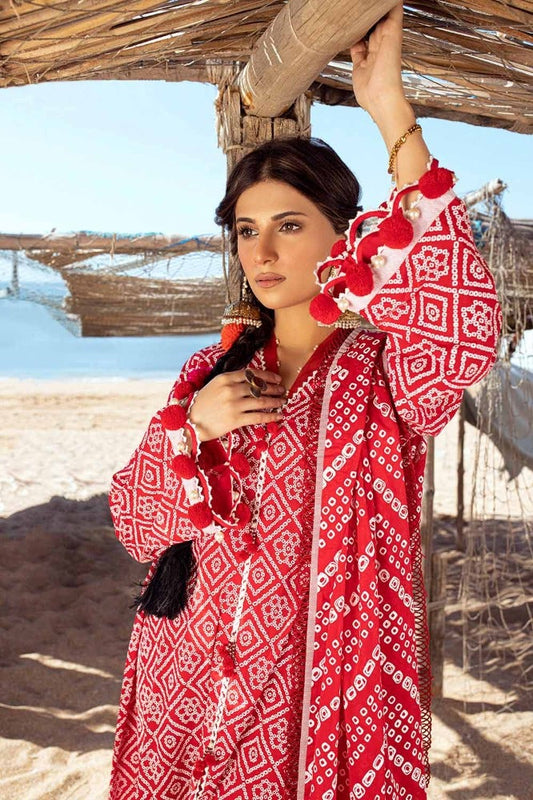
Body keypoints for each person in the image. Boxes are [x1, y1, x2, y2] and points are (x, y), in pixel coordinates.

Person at [108, 4, 501, 799]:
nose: (262, 251)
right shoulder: (209, 370)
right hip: (185, 674)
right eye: (245, 230)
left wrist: (387, 106)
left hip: (319, 692)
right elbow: (136, 525)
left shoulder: (385, 371)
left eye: (288, 225)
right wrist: (191, 429)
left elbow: (462, 326)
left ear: (340, 233)